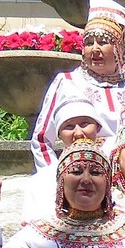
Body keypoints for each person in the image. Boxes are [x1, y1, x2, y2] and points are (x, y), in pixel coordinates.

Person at [32, 0, 125, 168]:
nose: (94, 49)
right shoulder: (67, 81)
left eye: (102, 42)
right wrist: (55, 178)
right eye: (88, 43)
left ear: (118, 47)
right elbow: (41, 139)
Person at [21, 95, 104, 223]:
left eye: (84, 124)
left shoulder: (115, 173)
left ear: (98, 127)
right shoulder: (40, 181)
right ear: (58, 134)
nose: (78, 133)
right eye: (69, 127)